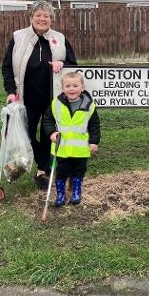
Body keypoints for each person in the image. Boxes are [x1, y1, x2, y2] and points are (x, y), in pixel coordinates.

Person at [2, 0, 77, 190]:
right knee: (26, 134)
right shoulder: (18, 37)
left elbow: (73, 65)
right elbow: (7, 67)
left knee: (47, 133)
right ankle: (35, 158)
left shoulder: (59, 38)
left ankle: (42, 171)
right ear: (31, 17)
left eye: (46, 16)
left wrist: (63, 64)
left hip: (52, 99)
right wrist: (11, 91)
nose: (42, 19)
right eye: (38, 15)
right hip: (25, 97)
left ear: (51, 19)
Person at [43, 71, 100, 206]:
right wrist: (51, 133)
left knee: (78, 172)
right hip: (61, 148)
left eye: (75, 86)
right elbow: (48, 120)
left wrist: (93, 142)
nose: (71, 89)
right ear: (62, 88)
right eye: (68, 86)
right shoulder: (56, 103)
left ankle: (76, 192)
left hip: (81, 150)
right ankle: (60, 195)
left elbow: (94, 125)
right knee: (61, 172)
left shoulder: (89, 106)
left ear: (82, 88)